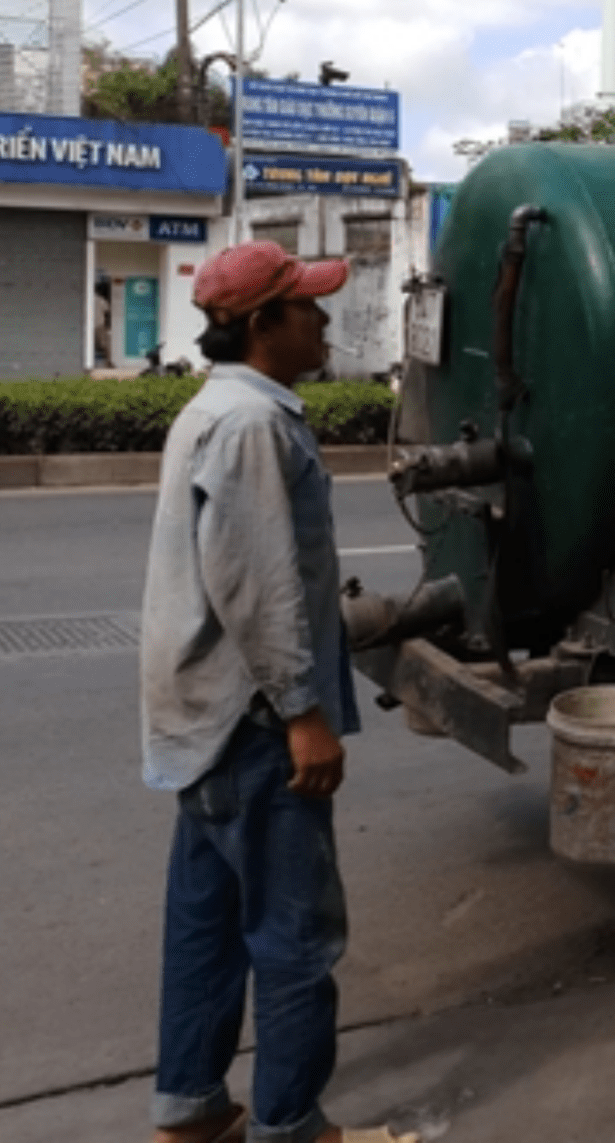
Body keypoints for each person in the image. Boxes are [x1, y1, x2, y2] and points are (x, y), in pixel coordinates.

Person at [141, 240, 404, 1144]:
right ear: (261, 326)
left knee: (206, 927)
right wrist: (304, 717)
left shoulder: (215, 407)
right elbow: (258, 588)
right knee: (295, 937)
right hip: (252, 722)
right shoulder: (254, 425)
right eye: (308, 307)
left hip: (202, 719)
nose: (325, 321)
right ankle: (291, 1129)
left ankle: (191, 1112)